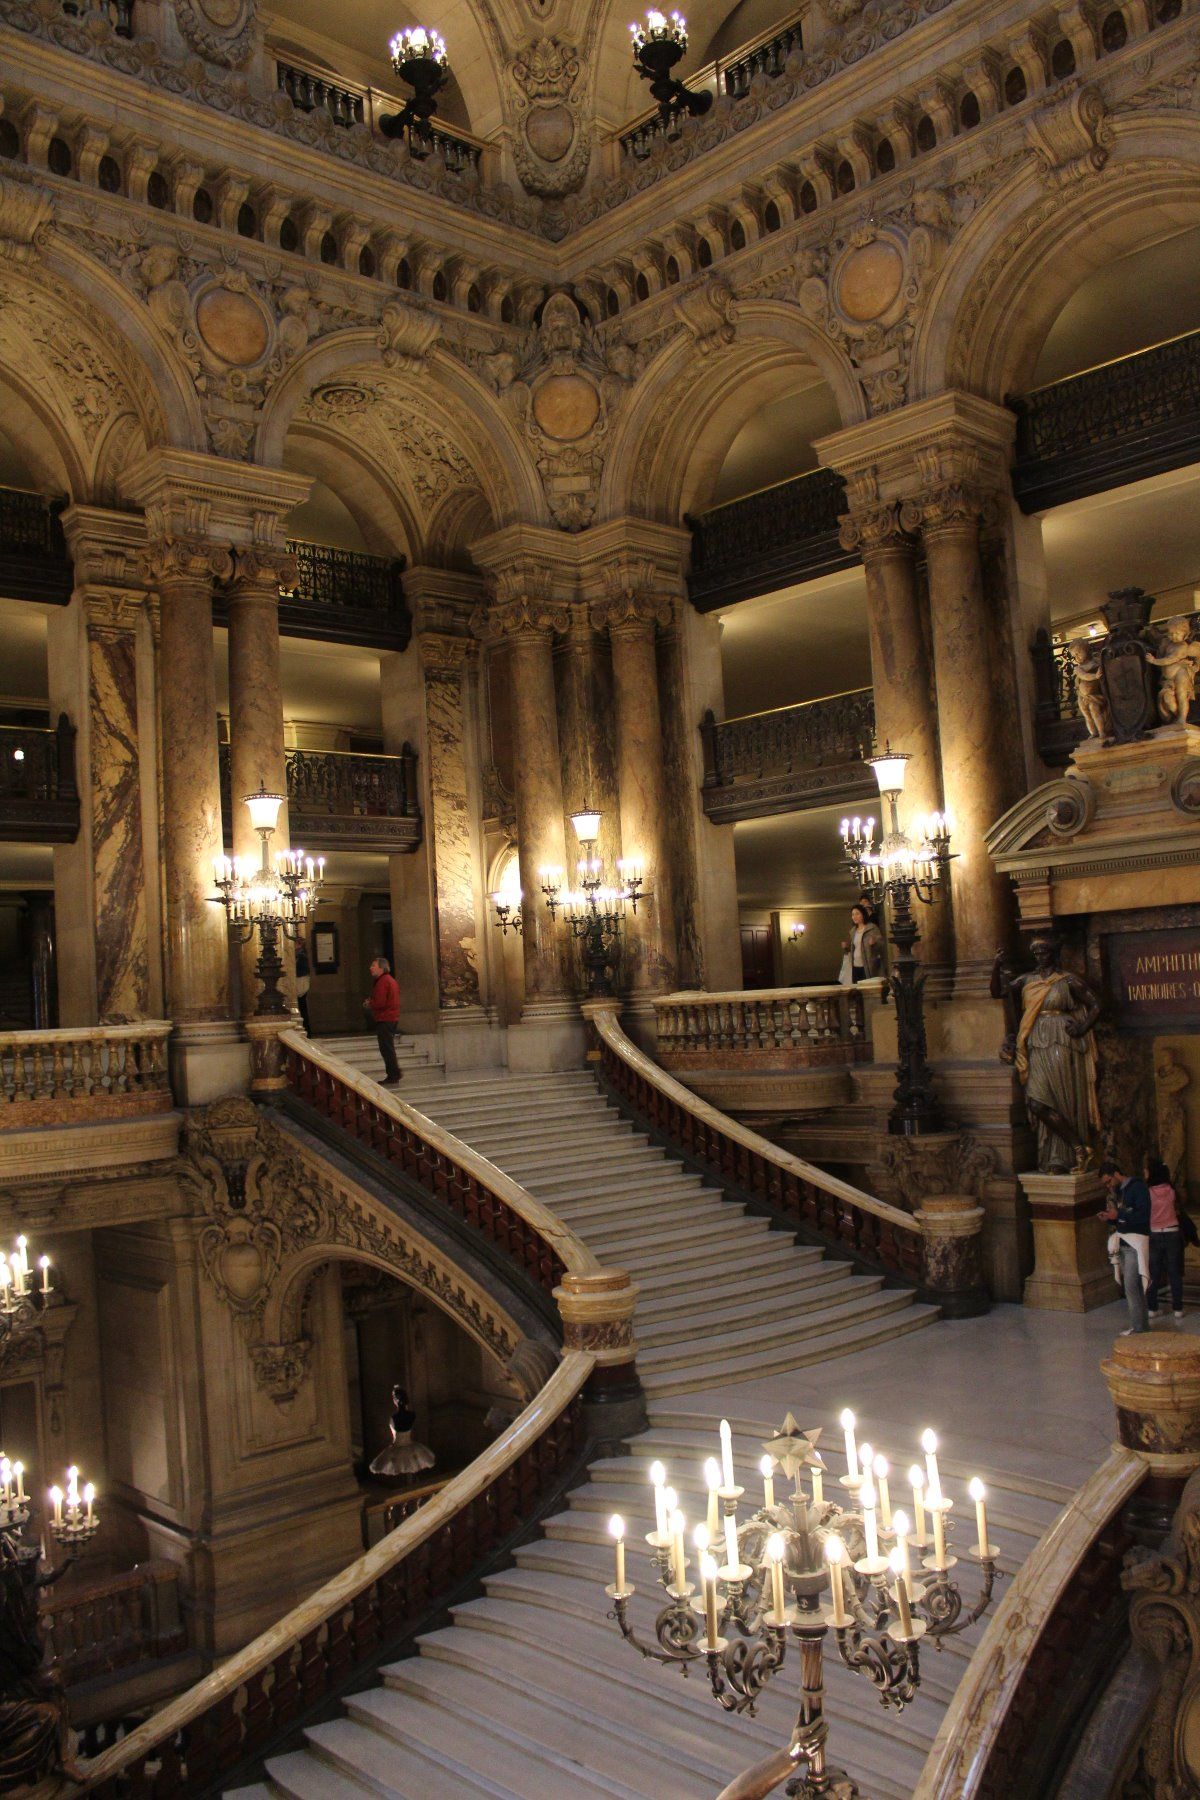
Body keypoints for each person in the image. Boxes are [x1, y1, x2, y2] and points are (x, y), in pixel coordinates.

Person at [993, 937, 1102, 1173]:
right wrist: (996, 966)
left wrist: (1082, 1028)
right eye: (1037, 953)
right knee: (1037, 1102)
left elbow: (1096, 1005)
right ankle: (1078, 1147)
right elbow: (999, 991)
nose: (1040, 957)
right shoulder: (1027, 980)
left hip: (1061, 1041)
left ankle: (1062, 1158)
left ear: (1053, 954)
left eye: (1044, 952)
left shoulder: (1067, 980)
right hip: (1035, 1039)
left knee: (1061, 1099)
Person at [1100, 1158, 1151, 1335]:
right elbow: (1122, 1217)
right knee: (1133, 1287)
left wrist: (1119, 1214)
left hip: (1136, 1243)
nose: (1108, 1186)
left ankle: (1138, 1328)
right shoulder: (1119, 1191)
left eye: (1108, 1181)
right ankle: (1142, 1326)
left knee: (1131, 1286)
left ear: (1116, 1174)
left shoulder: (1138, 1187)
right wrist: (1111, 1218)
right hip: (1124, 1241)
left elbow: (1143, 1216)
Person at [1146, 1154, 1185, 1326]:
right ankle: (1178, 1309)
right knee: (1174, 1272)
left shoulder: (1148, 1193)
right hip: (1172, 1232)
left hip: (1154, 1233)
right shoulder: (1171, 1191)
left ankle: (1152, 1308)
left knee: (1153, 1272)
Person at [368, 1384, 435, 1479]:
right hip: (410, 1447)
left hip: (397, 1448)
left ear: (395, 1400)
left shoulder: (394, 1417)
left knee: (396, 1468)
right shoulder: (412, 1415)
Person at [364, 955, 402, 1086]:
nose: (370, 968)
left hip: (385, 1018)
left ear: (381, 968)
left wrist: (369, 1004)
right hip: (390, 1017)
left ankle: (393, 1074)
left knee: (386, 1048)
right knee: (387, 1047)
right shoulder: (389, 980)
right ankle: (394, 1073)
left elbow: (380, 1002)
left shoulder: (383, 981)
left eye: (373, 965)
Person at [842, 902, 884, 983]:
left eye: (857, 914)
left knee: (867, 987)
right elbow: (854, 949)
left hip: (868, 965)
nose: (854, 917)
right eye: (853, 914)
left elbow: (881, 945)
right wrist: (846, 947)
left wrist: (874, 943)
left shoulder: (872, 928)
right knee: (857, 987)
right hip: (855, 966)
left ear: (863, 915)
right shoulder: (853, 931)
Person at [294, 940, 311, 1035]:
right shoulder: (300, 955)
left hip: (300, 984)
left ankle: (306, 1029)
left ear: (299, 944)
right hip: (300, 983)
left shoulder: (301, 956)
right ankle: (306, 1028)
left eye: (295, 943)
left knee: (302, 1007)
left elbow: (300, 971)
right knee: (302, 1007)